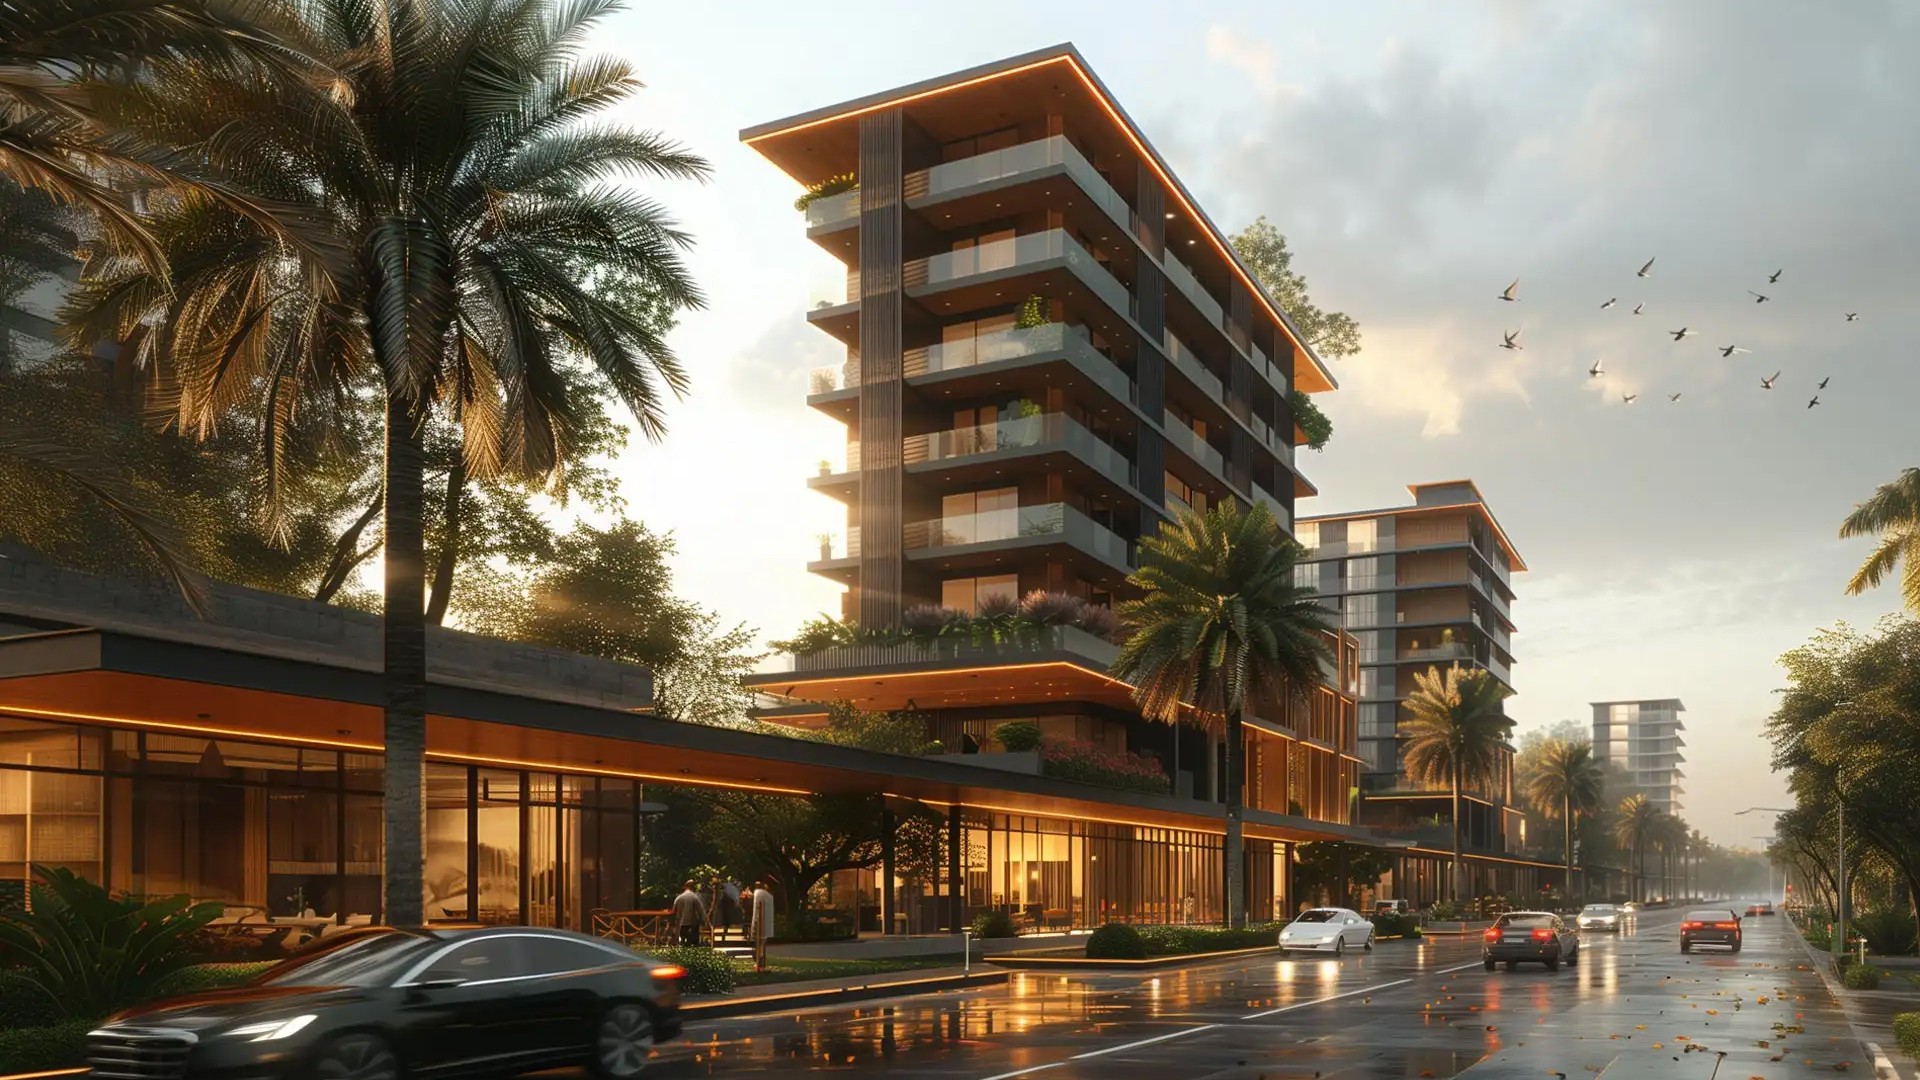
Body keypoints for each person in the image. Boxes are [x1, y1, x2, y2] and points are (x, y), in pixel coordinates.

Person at [747, 880, 775, 973]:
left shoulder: (758, 894)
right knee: (761, 945)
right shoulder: (768, 896)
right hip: (764, 925)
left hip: (758, 925)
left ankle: (759, 963)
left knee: (758, 945)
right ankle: (760, 964)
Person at [672, 879, 706, 947]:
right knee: (694, 943)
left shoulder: (679, 898)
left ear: (685, 887)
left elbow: (673, 910)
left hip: (681, 923)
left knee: (682, 942)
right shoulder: (695, 897)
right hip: (693, 923)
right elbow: (701, 910)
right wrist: (703, 920)